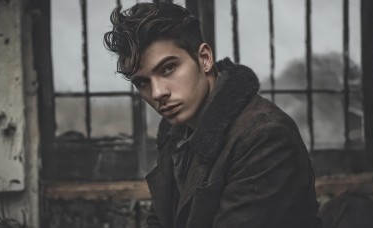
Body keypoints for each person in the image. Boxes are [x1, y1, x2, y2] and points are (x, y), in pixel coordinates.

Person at [104, 2, 321, 228]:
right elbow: (160, 219)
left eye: (168, 68)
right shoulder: (175, 133)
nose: (158, 93)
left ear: (205, 59)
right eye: (142, 82)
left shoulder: (265, 135)